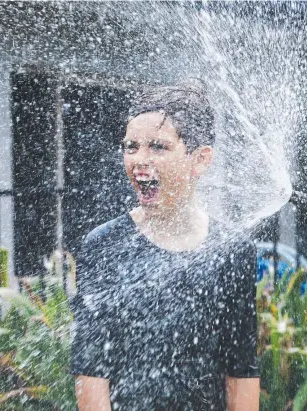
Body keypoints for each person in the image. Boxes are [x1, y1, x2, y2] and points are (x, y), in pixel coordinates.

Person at [70, 81, 260, 411]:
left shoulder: (232, 250)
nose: (139, 160)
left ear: (199, 160)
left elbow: (240, 367)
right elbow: (90, 368)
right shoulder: (104, 245)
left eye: (158, 147)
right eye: (131, 147)